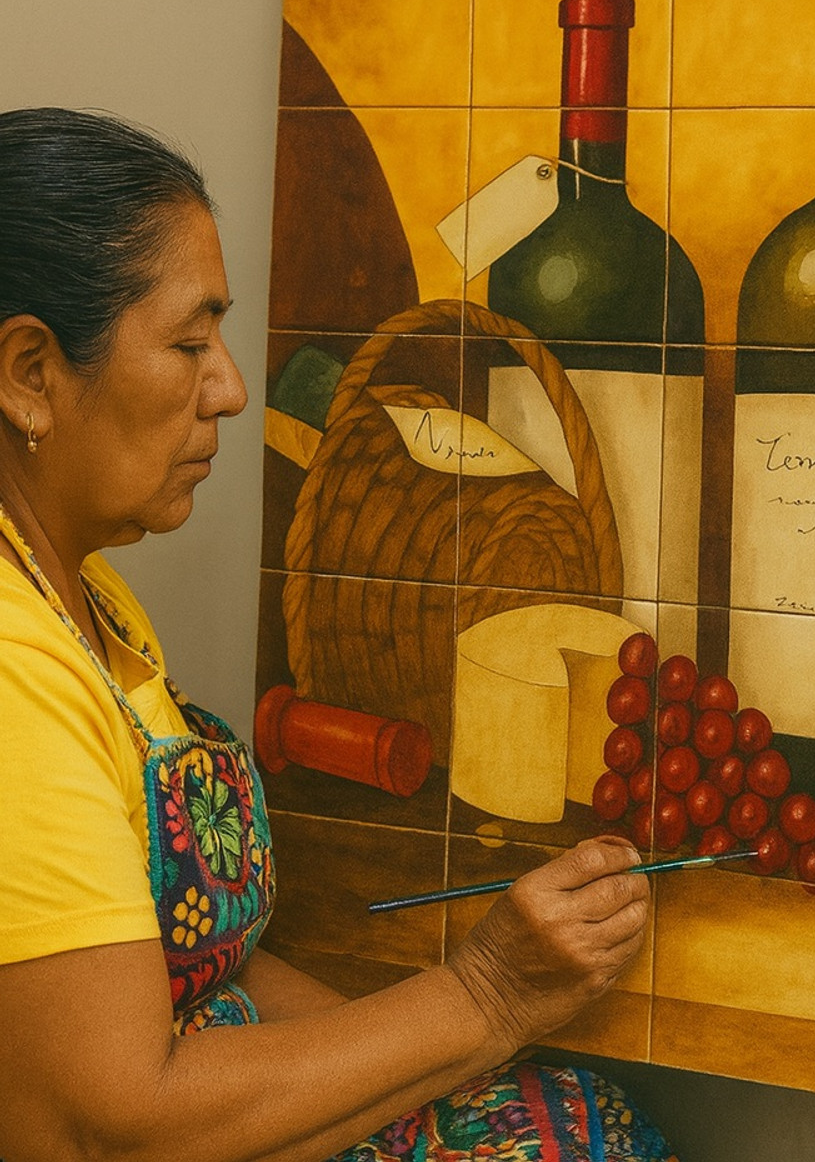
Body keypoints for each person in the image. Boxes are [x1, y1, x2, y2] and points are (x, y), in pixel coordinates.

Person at [0, 107, 677, 1162]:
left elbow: (207, 969)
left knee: (570, 1115)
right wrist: (486, 994)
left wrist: (448, 1062)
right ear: (30, 375)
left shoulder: (87, 600)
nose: (230, 388)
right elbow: (108, 1127)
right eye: (188, 343)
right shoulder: (11, 673)